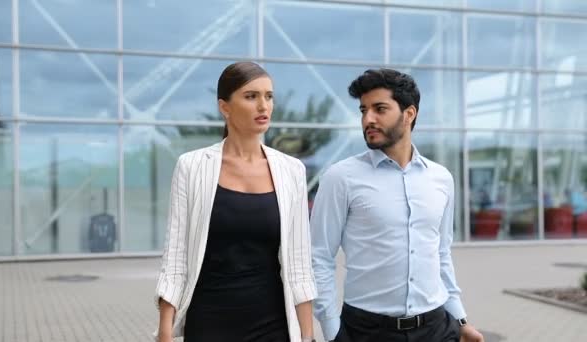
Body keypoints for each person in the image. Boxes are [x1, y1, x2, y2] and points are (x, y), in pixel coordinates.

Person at [310, 68, 484, 342]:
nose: (368, 119)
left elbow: (440, 253)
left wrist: (460, 319)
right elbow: (319, 257)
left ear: (409, 114)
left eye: (380, 109)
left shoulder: (441, 178)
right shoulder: (340, 177)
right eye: (363, 110)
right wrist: (333, 332)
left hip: (437, 327)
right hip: (367, 331)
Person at [154, 62, 317, 342]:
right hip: (208, 321)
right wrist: (165, 332)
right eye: (251, 96)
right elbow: (176, 257)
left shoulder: (292, 171)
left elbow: (300, 265)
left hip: (273, 324)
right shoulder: (192, 167)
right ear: (224, 107)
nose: (263, 106)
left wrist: (308, 336)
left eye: (269, 96)